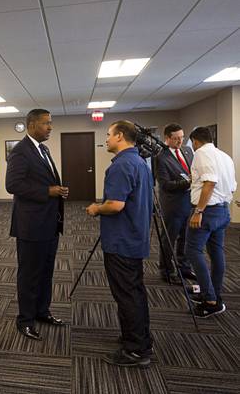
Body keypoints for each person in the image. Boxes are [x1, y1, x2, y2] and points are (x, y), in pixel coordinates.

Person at [86, 120, 153, 368]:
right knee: (135, 291)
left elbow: (115, 205)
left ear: (120, 136)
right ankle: (140, 338)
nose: (106, 138)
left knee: (126, 295)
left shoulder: (121, 166)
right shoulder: (140, 162)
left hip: (122, 241)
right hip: (135, 237)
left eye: (109, 134)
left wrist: (96, 208)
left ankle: (135, 350)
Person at [6, 108, 68, 341]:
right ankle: (25, 320)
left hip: (49, 223)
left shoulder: (43, 148)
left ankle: (42, 311)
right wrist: (47, 191)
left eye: (51, 123)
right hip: (31, 226)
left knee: (46, 272)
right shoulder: (21, 152)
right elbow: (12, 185)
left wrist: (57, 190)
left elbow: (44, 179)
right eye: (46, 123)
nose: (50, 127)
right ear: (32, 125)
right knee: (30, 275)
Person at [185, 126, 236, 318]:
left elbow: (210, 182)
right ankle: (214, 293)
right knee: (216, 253)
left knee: (192, 251)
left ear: (195, 141)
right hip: (223, 209)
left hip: (207, 211)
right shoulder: (225, 156)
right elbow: (231, 186)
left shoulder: (201, 154)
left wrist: (199, 211)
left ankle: (210, 300)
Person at [154, 123, 196, 284]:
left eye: (182, 137)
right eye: (176, 138)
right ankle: (166, 270)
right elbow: (165, 185)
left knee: (186, 238)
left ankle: (184, 268)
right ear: (167, 139)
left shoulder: (187, 150)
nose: (180, 141)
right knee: (169, 239)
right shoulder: (160, 157)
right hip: (173, 204)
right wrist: (188, 182)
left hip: (190, 203)